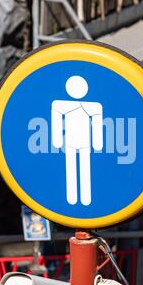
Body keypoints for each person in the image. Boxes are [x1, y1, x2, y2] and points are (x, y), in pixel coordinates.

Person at [51, 76, 103, 206]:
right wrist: (56, 140)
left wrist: (97, 143)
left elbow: (97, 121)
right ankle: (72, 198)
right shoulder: (61, 104)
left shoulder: (93, 106)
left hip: (84, 143)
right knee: (71, 168)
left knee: (84, 168)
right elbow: (55, 118)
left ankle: (84, 199)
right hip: (70, 143)